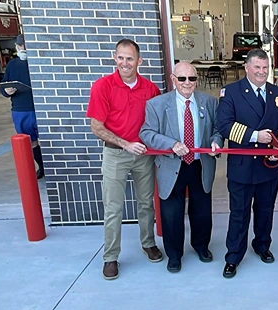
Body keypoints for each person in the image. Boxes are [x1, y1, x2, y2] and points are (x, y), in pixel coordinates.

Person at [86, 38, 163, 280]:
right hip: (115, 154)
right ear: (114, 58)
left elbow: (158, 123)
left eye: (130, 58)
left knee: (145, 204)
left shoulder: (150, 89)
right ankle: (110, 257)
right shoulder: (102, 86)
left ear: (139, 61)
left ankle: (148, 243)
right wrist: (124, 143)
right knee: (113, 208)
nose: (125, 63)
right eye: (121, 57)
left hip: (143, 155)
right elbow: (96, 127)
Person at [216, 48, 278, 279]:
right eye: (257, 67)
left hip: (269, 165)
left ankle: (261, 245)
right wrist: (254, 136)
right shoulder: (230, 92)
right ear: (247, 68)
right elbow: (224, 125)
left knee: (265, 210)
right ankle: (233, 257)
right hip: (243, 166)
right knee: (239, 213)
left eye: (265, 67)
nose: (261, 72)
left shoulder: (277, 93)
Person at [140, 61, 223, 273]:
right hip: (171, 165)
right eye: (182, 78)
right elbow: (146, 134)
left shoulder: (209, 102)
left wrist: (216, 142)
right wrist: (171, 144)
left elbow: (218, 129)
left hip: (200, 164)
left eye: (192, 78)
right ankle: (174, 255)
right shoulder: (157, 104)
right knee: (171, 214)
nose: (188, 83)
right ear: (173, 79)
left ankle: (201, 247)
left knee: (202, 211)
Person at [0, 34, 45, 179]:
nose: (23, 49)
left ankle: (52, 167)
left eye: (25, 46)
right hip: (20, 109)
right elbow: (4, 85)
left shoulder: (39, 62)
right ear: (16, 47)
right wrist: (6, 91)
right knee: (30, 142)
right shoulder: (12, 65)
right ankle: (42, 167)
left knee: (49, 140)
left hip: (39, 107)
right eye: (20, 46)